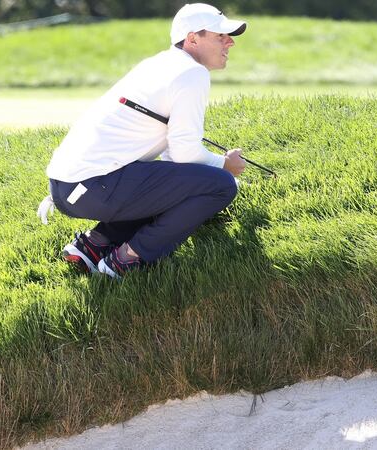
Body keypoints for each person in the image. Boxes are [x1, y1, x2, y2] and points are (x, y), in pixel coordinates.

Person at [37, 3, 247, 279]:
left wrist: (204, 172)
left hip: (67, 187)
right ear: (193, 38)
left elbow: (176, 164)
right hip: (93, 186)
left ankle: (91, 246)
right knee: (221, 186)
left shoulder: (159, 63)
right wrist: (224, 165)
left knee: (180, 185)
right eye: (221, 36)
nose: (230, 42)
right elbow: (185, 153)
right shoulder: (192, 73)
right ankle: (127, 260)